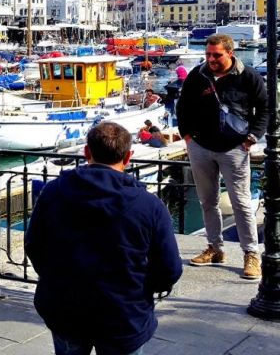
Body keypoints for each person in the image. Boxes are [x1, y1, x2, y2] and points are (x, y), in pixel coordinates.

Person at [25, 122, 182, 355]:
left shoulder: (54, 192)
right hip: (124, 313)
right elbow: (169, 268)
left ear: (87, 152)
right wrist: (141, 289)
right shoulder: (149, 205)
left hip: (65, 307)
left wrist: (57, 279)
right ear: (128, 157)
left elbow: (34, 245)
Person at [177, 33, 265, 280]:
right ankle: (215, 248)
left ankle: (251, 254)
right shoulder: (198, 75)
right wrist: (187, 137)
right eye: (208, 54)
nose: (211, 59)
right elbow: (183, 106)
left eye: (217, 55)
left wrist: (252, 138)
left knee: (241, 204)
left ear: (230, 53)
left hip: (234, 149)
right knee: (208, 201)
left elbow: (266, 108)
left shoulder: (249, 77)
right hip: (200, 147)